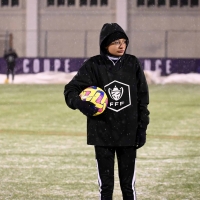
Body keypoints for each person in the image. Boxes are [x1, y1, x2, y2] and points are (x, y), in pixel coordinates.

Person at [64, 23, 150, 200]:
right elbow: (70, 89)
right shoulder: (94, 65)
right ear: (105, 44)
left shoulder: (132, 63)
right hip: (102, 134)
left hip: (128, 133)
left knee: (128, 187)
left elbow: (142, 98)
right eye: (116, 42)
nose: (121, 46)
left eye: (124, 42)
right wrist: (79, 103)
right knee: (106, 187)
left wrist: (142, 128)